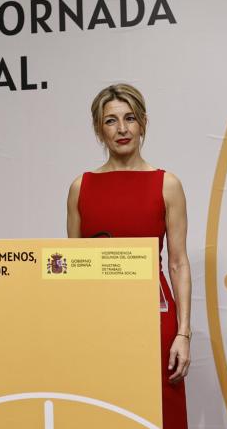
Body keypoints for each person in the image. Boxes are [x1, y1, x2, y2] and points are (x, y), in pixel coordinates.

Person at [66, 83, 191, 429]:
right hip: (98, 320)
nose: (122, 129)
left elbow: (178, 263)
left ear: (143, 123)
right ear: (98, 129)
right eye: (111, 121)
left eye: (130, 118)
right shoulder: (81, 187)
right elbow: (72, 270)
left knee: (161, 413)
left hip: (156, 318)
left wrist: (183, 333)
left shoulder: (167, 184)